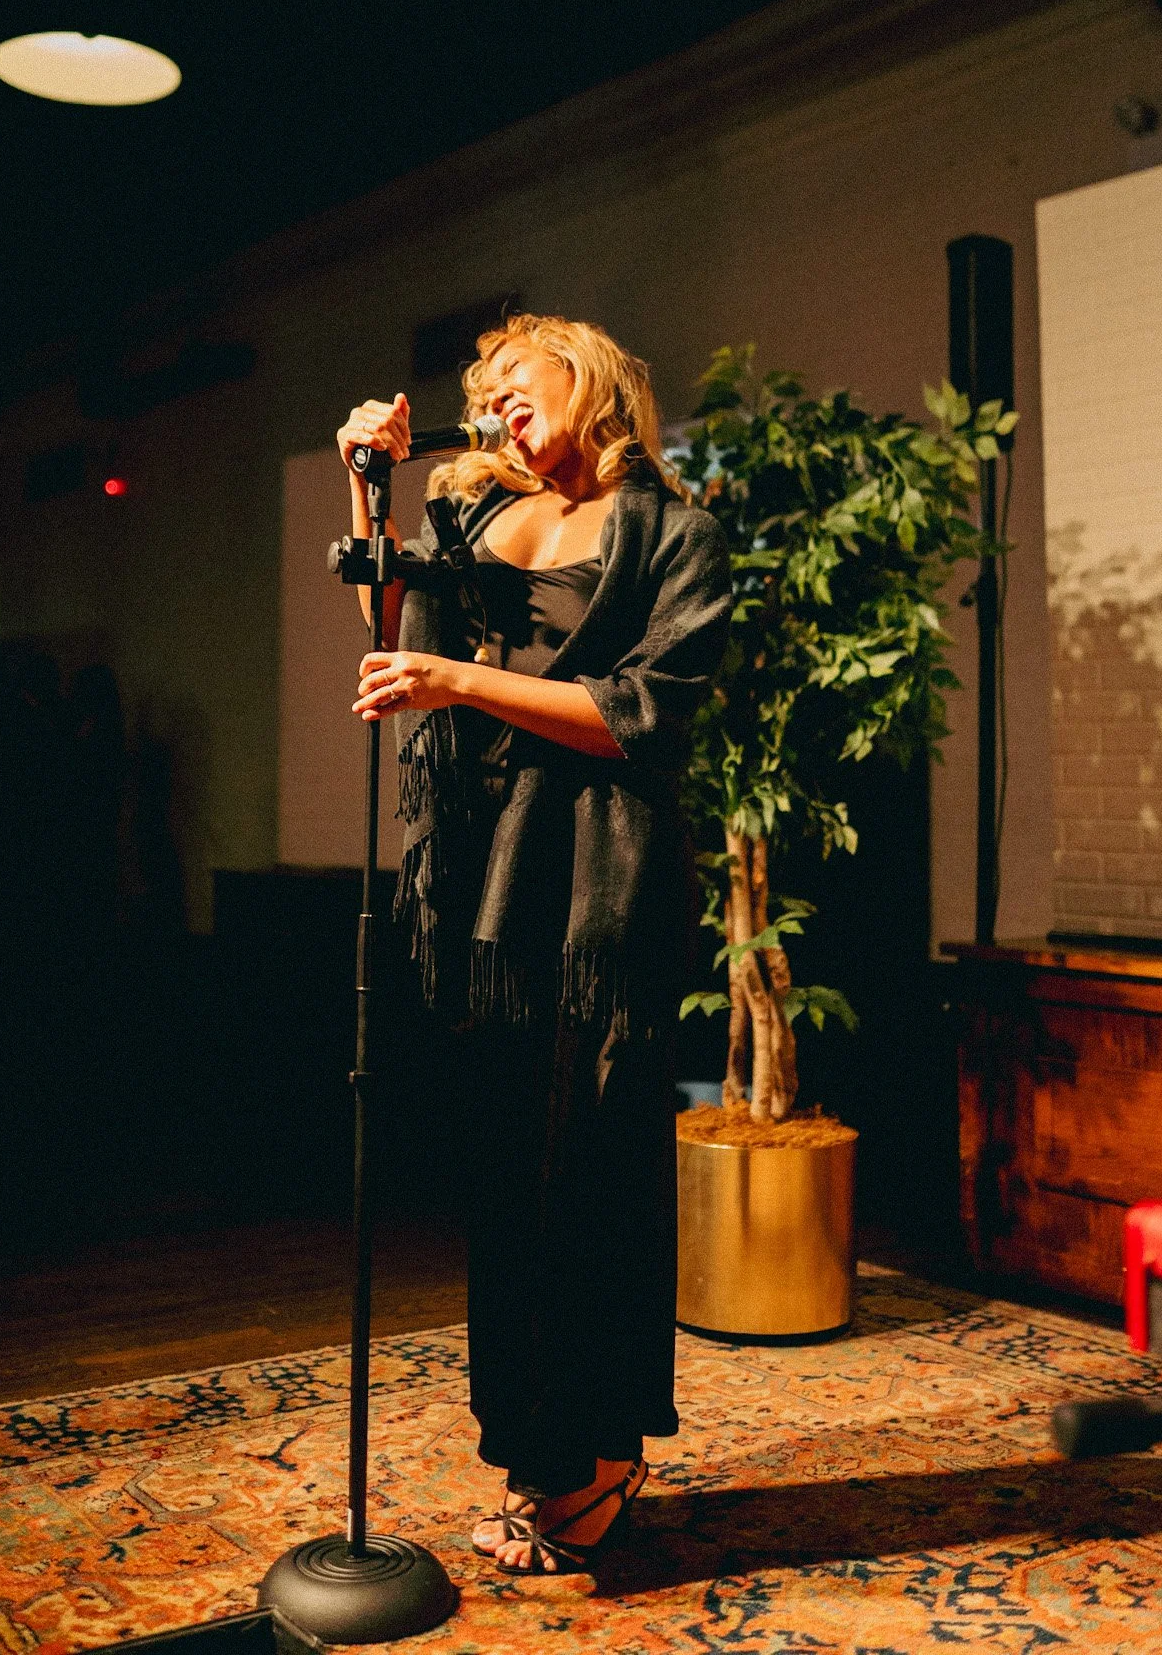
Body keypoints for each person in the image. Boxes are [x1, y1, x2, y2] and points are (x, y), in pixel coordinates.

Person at [338, 314, 731, 1576]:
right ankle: (538, 1451)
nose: (500, 403)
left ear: (595, 378)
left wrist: (461, 686)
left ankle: (601, 1456)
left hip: (604, 878)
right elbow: (388, 620)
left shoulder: (675, 531)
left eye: (521, 379)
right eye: (485, 392)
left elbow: (644, 717)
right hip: (490, 879)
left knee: (591, 1167)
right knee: (509, 1173)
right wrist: (367, 482)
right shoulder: (480, 521)